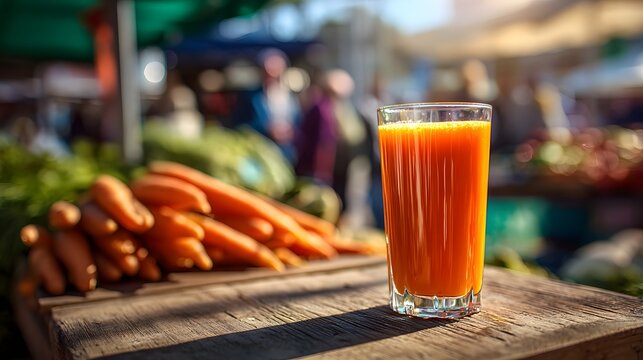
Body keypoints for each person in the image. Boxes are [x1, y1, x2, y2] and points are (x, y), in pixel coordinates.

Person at [296, 69, 369, 213]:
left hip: (339, 169)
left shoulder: (344, 108)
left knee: (338, 204)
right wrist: (320, 174)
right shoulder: (320, 108)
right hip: (321, 170)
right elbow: (321, 142)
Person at [231, 49, 301, 163]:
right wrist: (268, 130)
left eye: (275, 71)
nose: (271, 75)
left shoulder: (290, 97)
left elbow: (298, 123)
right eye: (267, 72)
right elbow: (239, 125)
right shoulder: (250, 97)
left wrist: (289, 131)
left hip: (285, 154)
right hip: (259, 154)